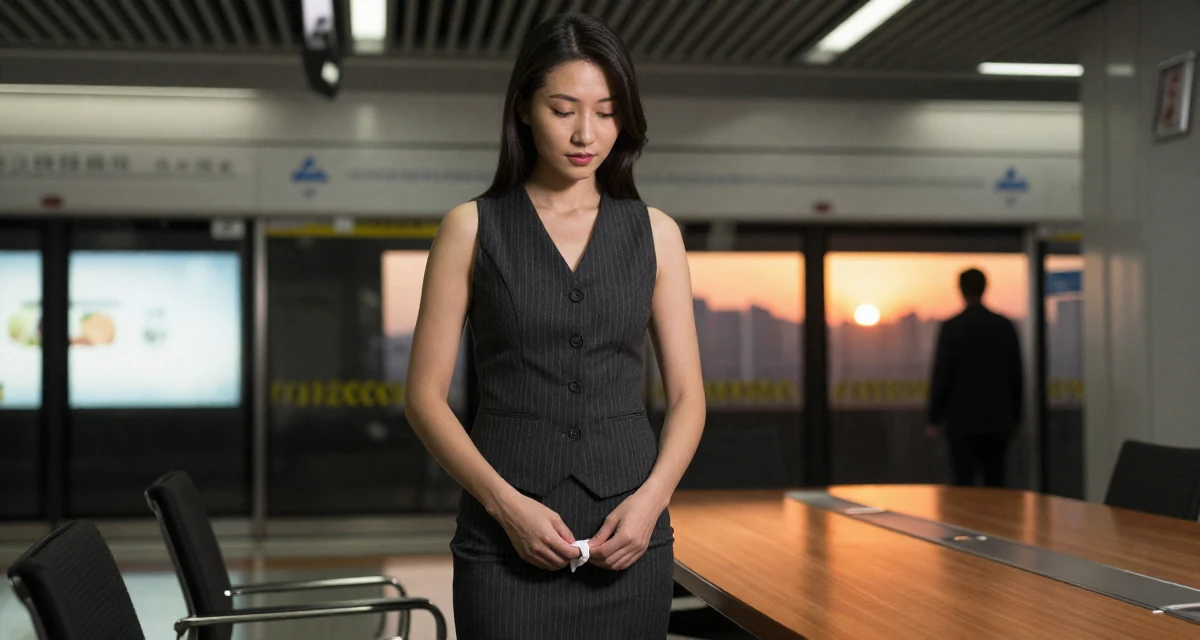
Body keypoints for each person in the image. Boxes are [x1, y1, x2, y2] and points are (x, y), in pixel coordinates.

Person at [404, 13, 706, 640]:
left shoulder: (657, 235)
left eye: (606, 111)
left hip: (631, 539)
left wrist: (650, 504)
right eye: (563, 109)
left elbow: (686, 398)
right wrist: (505, 506)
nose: (585, 133)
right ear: (523, 109)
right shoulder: (470, 228)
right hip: (502, 545)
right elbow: (423, 399)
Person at [927, 268, 1023, 488]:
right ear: (985, 288)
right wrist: (1016, 417)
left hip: (961, 421)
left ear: (960, 290)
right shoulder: (1003, 326)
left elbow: (942, 374)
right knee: (996, 483)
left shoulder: (953, 327)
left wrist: (933, 417)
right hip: (998, 419)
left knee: (963, 484)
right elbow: (1016, 376)